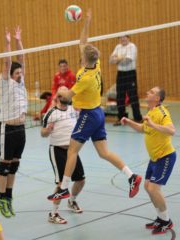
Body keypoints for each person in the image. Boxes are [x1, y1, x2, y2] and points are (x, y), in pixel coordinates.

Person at [47, 9, 142, 202]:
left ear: (84, 59)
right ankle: (132, 176)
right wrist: (87, 22)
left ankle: (63, 188)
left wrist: (60, 92)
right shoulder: (95, 64)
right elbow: (83, 42)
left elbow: (66, 98)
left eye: (82, 53)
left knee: (72, 150)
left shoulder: (85, 79)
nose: (80, 52)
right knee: (104, 153)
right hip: (97, 112)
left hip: (89, 115)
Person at [121, 86, 176, 235]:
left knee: (153, 188)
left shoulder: (162, 112)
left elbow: (172, 130)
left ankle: (166, 221)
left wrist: (153, 124)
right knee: (147, 186)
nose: (147, 93)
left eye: (151, 92)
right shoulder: (151, 112)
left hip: (165, 157)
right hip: (154, 159)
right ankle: (160, 218)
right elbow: (143, 129)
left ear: (157, 98)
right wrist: (129, 121)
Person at [41, 86, 85, 224]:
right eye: (63, 94)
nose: (66, 96)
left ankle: (72, 201)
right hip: (57, 150)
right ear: (59, 97)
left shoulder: (73, 110)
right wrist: (48, 130)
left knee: (81, 180)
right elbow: (42, 133)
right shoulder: (51, 113)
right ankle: (53, 214)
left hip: (72, 150)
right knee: (62, 184)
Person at [0, 26, 27, 218]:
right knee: (4, 165)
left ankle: (8, 197)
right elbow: (8, 62)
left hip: (21, 129)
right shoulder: (5, 82)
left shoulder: (21, 81)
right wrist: (8, 44)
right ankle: (1, 198)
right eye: (18, 73)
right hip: (6, 128)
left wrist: (18, 40)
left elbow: (22, 58)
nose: (21, 74)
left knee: (14, 165)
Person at [109, 35, 142, 126]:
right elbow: (111, 61)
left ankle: (138, 118)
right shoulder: (118, 47)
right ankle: (121, 118)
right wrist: (120, 58)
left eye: (124, 37)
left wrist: (117, 59)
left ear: (128, 38)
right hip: (120, 74)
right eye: (120, 38)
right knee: (120, 97)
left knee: (133, 96)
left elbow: (128, 60)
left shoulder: (132, 46)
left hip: (130, 74)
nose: (123, 39)